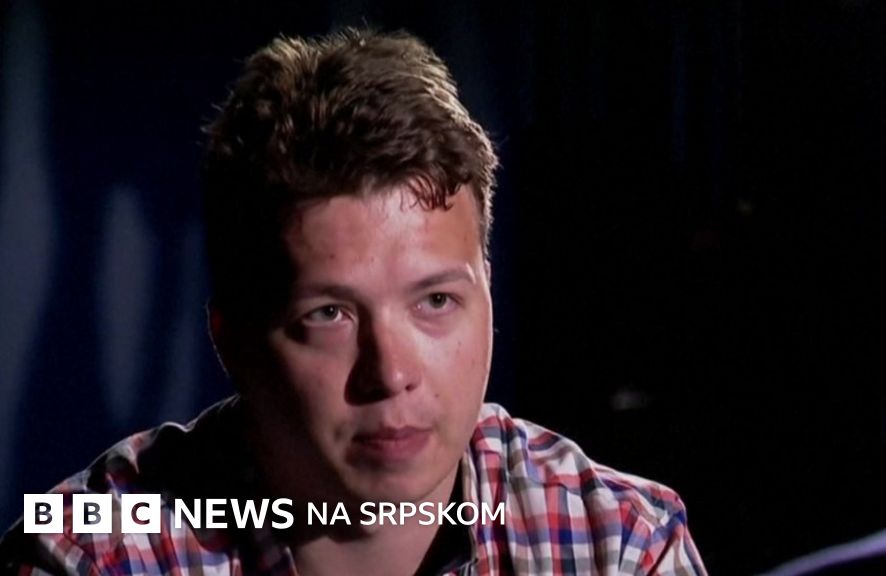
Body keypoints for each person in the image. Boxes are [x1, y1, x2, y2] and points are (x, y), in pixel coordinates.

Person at [0, 29, 706, 575]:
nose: (390, 373)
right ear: (232, 339)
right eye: (328, 315)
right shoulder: (93, 555)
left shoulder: (619, 543)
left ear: (488, 297)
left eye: (435, 300)